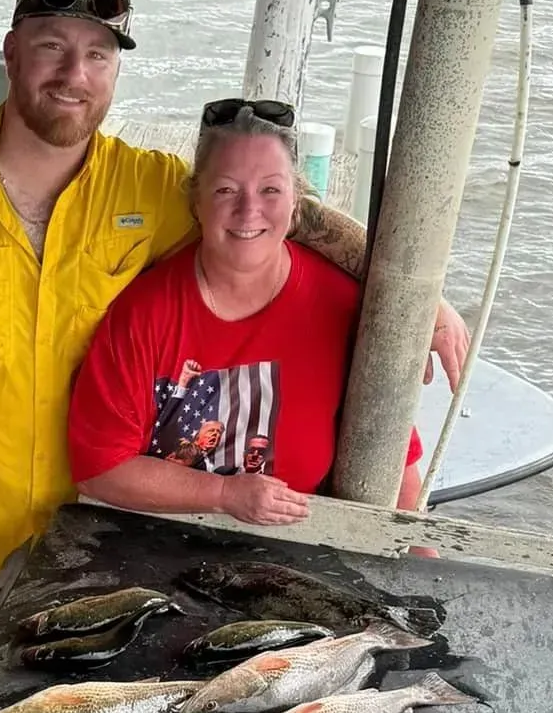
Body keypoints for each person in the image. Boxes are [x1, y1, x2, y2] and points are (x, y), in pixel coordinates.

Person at [0, 0, 466, 713]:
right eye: (52, 46)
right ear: (10, 51)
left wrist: (412, 290)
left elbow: (263, 203)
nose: (74, 74)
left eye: (98, 55)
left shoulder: (153, 186)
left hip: (98, 539)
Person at [67, 98, 426, 520]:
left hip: (297, 545)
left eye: (270, 189)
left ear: (296, 201)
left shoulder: (343, 307)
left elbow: (397, 465)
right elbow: (98, 468)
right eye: (226, 190)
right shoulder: (143, 313)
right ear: (196, 203)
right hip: (155, 541)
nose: (248, 210)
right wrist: (223, 493)